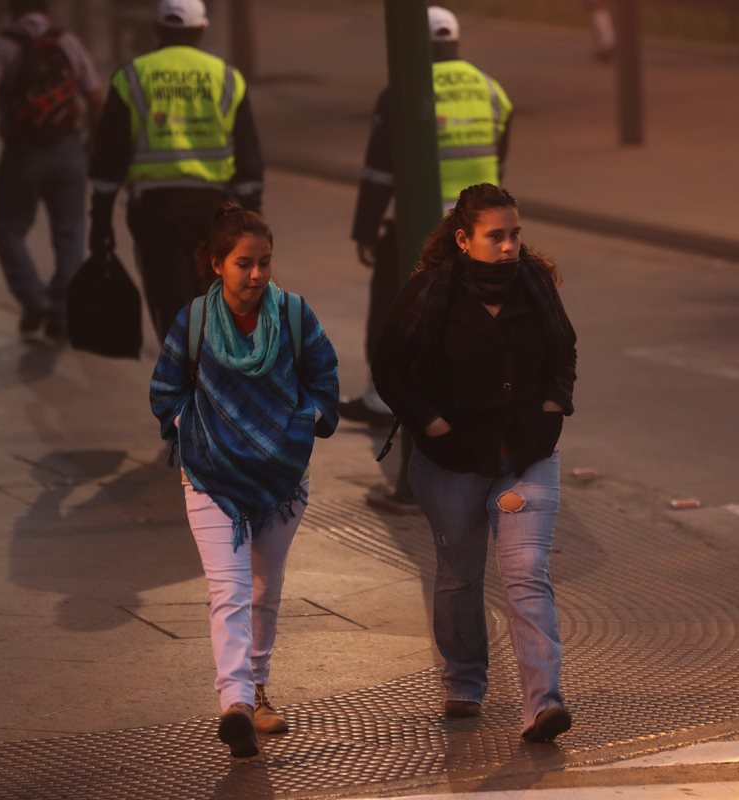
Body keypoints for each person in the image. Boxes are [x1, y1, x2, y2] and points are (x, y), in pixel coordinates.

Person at [372, 184, 577, 743]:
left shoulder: (535, 287)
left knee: (525, 574)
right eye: (496, 237)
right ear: (464, 240)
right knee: (460, 577)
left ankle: (543, 703)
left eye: (515, 234)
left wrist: (553, 407)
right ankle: (464, 681)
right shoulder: (429, 293)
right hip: (452, 459)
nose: (510, 246)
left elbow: (563, 350)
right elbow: (388, 367)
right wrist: (431, 423)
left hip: (526, 455)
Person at [149, 203, 340, 758]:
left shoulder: (296, 315)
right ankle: (234, 701)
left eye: (264, 263)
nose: (256, 275)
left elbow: (325, 377)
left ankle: (256, 689)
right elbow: (165, 389)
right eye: (243, 264)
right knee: (228, 591)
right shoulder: (195, 320)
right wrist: (195, 433)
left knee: (263, 589)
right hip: (210, 476)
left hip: (282, 478)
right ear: (216, 265)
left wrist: (301, 426)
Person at [343, 5, 513, 427]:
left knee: (394, 306)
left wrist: (367, 229)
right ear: (455, 40)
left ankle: (382, 399)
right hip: (482, 230)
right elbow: (498, 158)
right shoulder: (491, 89)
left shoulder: (403, 86)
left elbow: (380, 170)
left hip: (424, 226)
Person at [89, 0, 265, 345]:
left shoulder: (132, 76)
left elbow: (109, 159)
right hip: (216, 211)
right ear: (202, 29)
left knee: (171, 306)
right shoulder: (227, 77)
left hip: (155, 212)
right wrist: (254, 217)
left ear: (157, 29)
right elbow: (248, 159)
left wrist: (100, 221)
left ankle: (186, 380)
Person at [0, 0, 103, 340]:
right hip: (68, 148)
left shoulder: (1, 46)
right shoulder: (68, 42)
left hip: (22, 152)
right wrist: (92, 139)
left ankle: (34, 299)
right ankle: (61, 308)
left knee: (8, 228)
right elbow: (95, 96)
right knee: (70, 233)